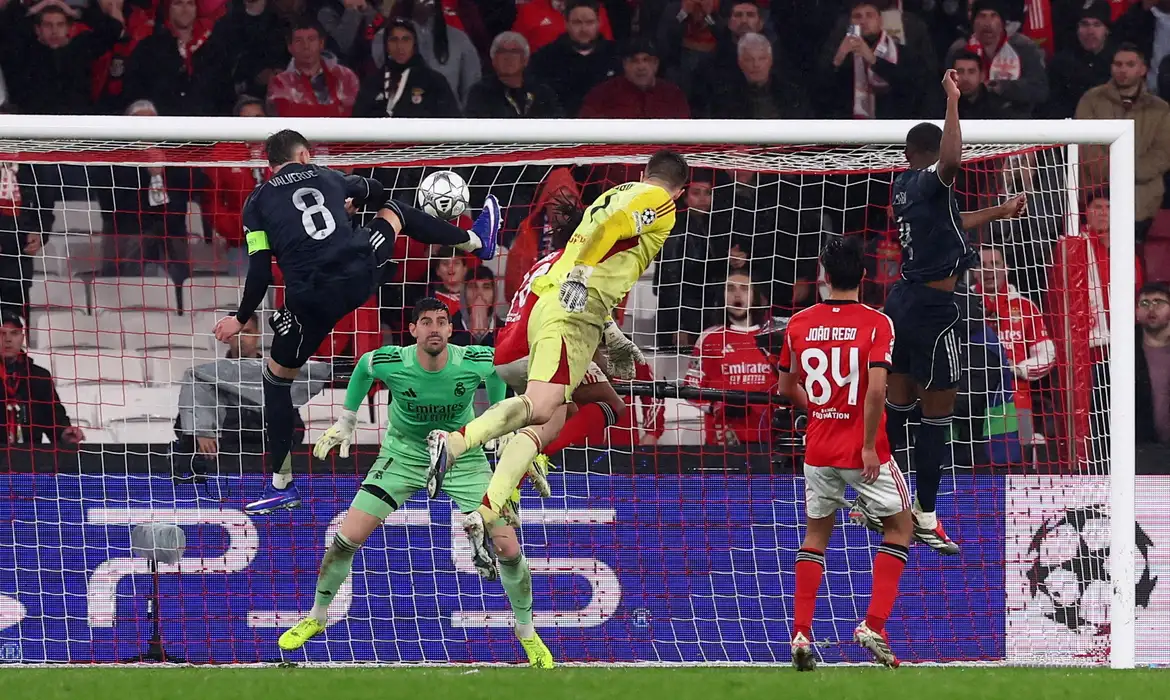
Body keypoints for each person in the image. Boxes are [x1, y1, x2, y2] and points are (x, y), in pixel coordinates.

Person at [212, 129, 502, 516]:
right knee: (397, 212)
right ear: (304, 154)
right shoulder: (327, 175)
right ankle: (475, 241)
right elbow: (376, 189)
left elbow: (261, 270)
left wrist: (240, 317)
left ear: (271, 164)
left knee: (276, 379)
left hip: (309, 301)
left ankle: (281, 484)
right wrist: (347, 208)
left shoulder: (255, 204)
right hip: (357, 276)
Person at [426, 150, 688, 569]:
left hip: (544, 316)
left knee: (570, 407)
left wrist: (610, 331)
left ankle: (489, 509)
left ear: (642, 171)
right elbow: (610, 229)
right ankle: (458, 442)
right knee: (546, 408)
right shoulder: (659, 203)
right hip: (567, 316)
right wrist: (584, 276)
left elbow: (597, 234)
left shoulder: (614, 194)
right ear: (681, 190)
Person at [281, 298, 554, 668]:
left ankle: (526, 632)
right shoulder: (394, 360)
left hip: (462, 456)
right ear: (413, 330)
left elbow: (496, 371)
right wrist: (347, 419)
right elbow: (364, 367)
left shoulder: (472, 359)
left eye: (441, 322)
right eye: (425, 322)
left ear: (449, 328)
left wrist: (498, 419)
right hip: (403, 455)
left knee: (507, 547)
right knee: (345, 540)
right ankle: (317, 615)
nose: (435, 329)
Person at [884, 70, 1026, 556]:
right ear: (927, 154)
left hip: (902, 301)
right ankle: (925, 513)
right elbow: (951, 159)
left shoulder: (906, 189)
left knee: (897, 402)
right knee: (936, 414)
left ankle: (876, 496)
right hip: (935, 308)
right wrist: (952, 101)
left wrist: (999, 211)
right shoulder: (932, 175)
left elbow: (955, 222)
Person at [776, 236, 910, 670]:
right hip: (863, 451)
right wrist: (869, 444)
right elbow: (876, 389)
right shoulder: (877, 322)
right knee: (900, 528)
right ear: (864, 276)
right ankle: (873, 624)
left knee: (815, 537)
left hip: (818, 446)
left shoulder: (798, 323)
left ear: (825, 276)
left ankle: (800, 634)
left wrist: (820, 409)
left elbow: (784, 387)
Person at [1076, 43, 1170, 241]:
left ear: (1143, 69)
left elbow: (1163, 154)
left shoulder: (1161, 109)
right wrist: (1118, 172)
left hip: (1143, 206)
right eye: (1118, 64)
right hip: (1096, 203)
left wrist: (1129, 172)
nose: (1123, 70)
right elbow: (1086, 147)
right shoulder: (1091, 100)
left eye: (1130, 64)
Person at [974, 245, 1055, 450]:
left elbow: (1048, 355)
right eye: (982, 265)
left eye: (995, 264)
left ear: (1006, 268)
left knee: (1026, 453)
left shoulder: (1026, 306)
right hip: (972, 398)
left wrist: (1017, 369)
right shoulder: (961, 305)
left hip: (1019, 400)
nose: (989, 270)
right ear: (974, 271)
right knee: (974, 462)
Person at [685, 269, 776, 446]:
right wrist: (716, 406)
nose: (737, 294)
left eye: (744, 288)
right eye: (730, 288)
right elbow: (690, 389)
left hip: (768, 440)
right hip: (723, 442)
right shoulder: (709, 338)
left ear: (755, 295)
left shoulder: (774, 336)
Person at [0, 311, 84, 447]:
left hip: (31, 457)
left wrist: (64, 432)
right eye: (2, 333)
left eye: (14, 333)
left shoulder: (39, 376)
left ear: (22, 338)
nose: (8, 339)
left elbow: (53, 417)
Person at [354, 17, 460, 118]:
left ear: (415, 44)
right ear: (386, 45)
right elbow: (356, 124)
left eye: (406, 39)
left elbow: (452, 124)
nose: (400, 46)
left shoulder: (434, 82)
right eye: (393, 40)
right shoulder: (372, 83)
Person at [464, 32, 563, 119]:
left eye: (515, 52)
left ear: (525, 60)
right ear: (493, 60)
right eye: (502, 51)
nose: (508, 57)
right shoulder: (480, 92)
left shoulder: (542, 92)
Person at [1045, 0, 1116, 118]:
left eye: (1097, 24)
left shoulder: (1118, 62)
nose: (1090, 31)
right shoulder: (1061, 63)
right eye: (1084, 24)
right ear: (1077, 29)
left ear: (1107, 30)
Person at [1136, 282, 1170, 445]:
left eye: (1159, 302)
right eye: (1144, 303)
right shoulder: (1124, 351)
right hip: (1142, 450)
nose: (1151, 308)